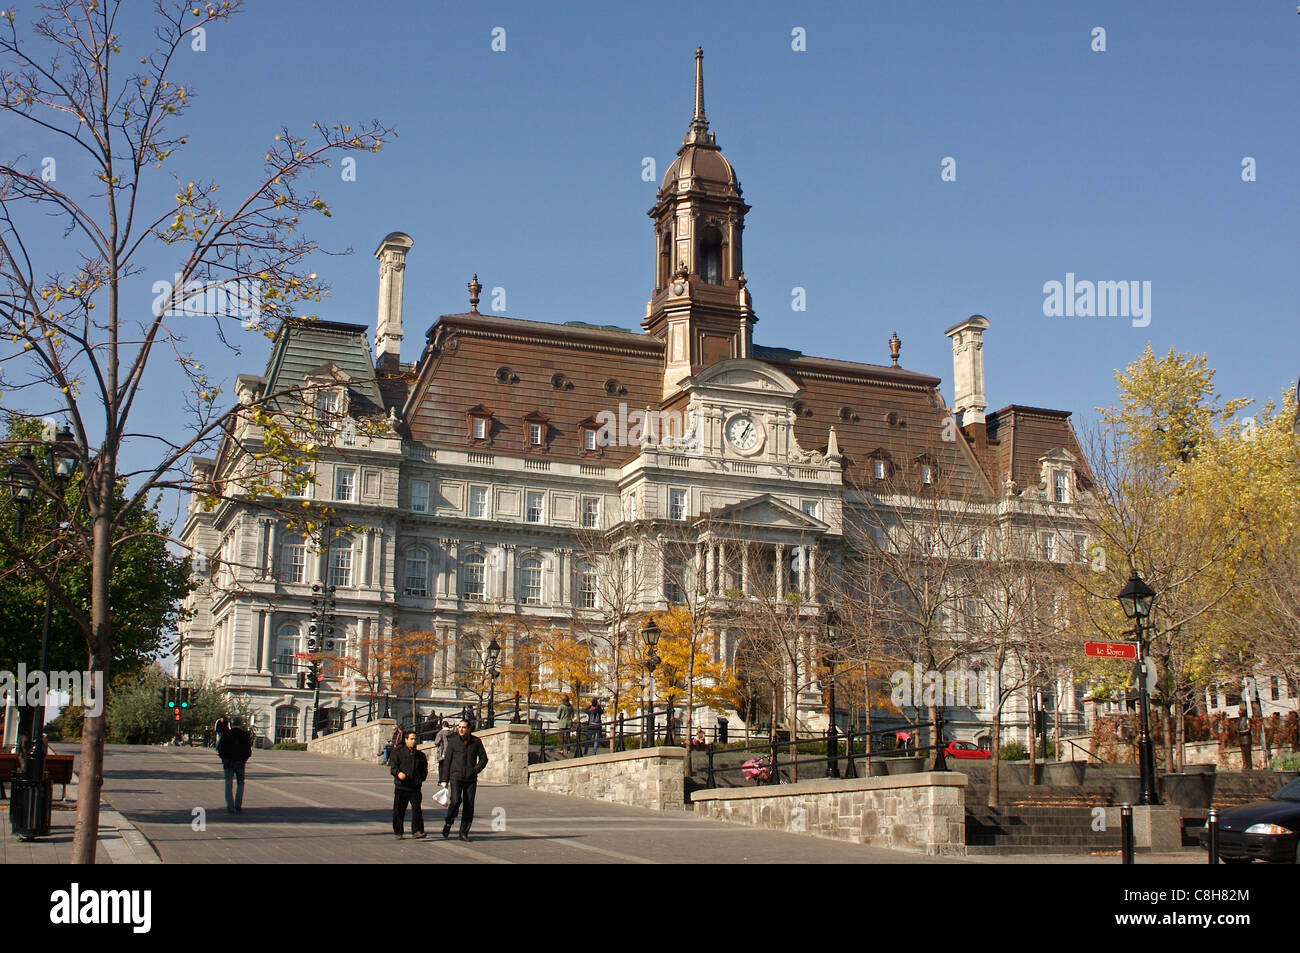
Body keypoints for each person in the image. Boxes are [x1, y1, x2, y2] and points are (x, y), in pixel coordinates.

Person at [441, 719, 488, 841]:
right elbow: (447, 761)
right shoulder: (453, 741)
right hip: (456, 776)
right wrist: (444, 780)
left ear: (469, 729)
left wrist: (475, 770)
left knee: (469, 804)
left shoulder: (476, 742)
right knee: (456, 801)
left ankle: (464, 832)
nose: (461, 729)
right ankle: (449, 822)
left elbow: (484, 758)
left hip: (470, 778)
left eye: (464, 727)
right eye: (459, 727)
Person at [390, 729, 428, 838]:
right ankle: (398, 831)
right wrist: (398, 774)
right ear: (406, 740)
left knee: (417, 809)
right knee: (399, 809)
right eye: (411, 739)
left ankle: (417, 831)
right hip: (402, 786)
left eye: (415, 739)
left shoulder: (420, 755)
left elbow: (424, 770)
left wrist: (420, 779)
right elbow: (393, 768)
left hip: (415, 786)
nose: (414, 741)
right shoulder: (398, 752)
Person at [216, 716, 253, 814]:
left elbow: (220, 748)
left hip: (228, 761)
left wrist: (224, 759)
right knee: (240, 783)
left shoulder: (226, 734)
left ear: (231, 724)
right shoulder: (245, 735)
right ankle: (238, 804)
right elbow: (248, 751)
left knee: (228, 783)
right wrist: (244, 759)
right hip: (240, 762)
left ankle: (230, 806)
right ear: (241, 723)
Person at [434, 720, 454, 785]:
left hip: (442, 751)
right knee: (449, 766)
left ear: (442, 726)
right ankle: (448, 779)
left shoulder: (440, 733)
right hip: (450, 751)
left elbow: (436, 742)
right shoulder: (452, 733)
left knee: (441, 767)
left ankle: (441, 780)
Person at [1236, 705, 1253, 770]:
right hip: (1241, 739)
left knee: (1248, 753)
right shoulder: (1239, 720)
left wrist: (1241, 732)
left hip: (1246, 739)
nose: (1239, 712)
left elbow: (1248, 729)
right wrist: (1237, 731)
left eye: (1240, 711)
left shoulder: (1247, 720)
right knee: (1243, 753)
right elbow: (1238, 728)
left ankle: (1249, 765)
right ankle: (1245, 764)